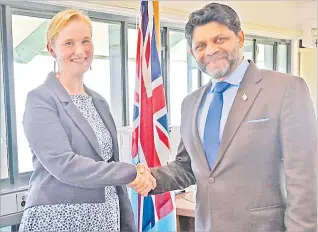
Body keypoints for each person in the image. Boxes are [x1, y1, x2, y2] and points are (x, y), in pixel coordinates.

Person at [131, 2, 317, 232]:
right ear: (192, 52)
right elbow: (186, 168)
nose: (210, 50)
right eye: (201, 45)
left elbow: (305, 178)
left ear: (240, 38)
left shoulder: (286, 89)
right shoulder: (190, 103)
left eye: (219, 40)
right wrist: (150, 176)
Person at [19, 9, 155, 232]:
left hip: (105, 220)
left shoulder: (98, 101)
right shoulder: (40, 99)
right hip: (59, 220)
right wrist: (131, 173)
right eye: (69, 43)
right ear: (51, 49)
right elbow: (64, 164)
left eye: (85, 41)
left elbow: (108, 163)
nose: (80, 50)